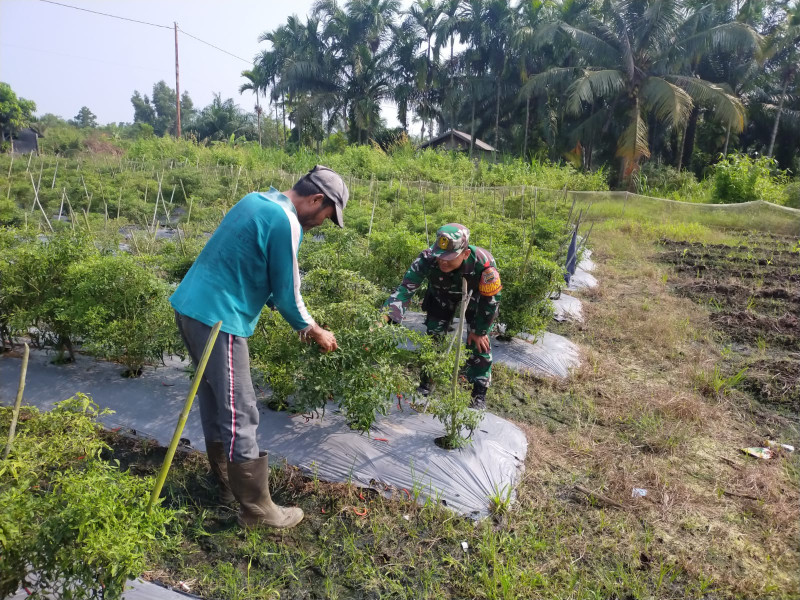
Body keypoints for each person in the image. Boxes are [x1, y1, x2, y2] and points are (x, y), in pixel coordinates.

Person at [170, 165, 348, 529]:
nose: (323, 223)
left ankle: (225, 488)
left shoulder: (256, 200)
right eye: (328, 214)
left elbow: (247, 263)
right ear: (316, 199)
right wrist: (314, 330)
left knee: (216, 401)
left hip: (191, 308)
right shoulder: (287, 222)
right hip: (221, 319)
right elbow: (288, 291)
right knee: (240, 411)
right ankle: (257, 510)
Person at [384, 223, 502, 409]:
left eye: (449, 258)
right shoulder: (427, 258)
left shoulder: (484, 264)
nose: (443, 262)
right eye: (440, 256)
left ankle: (479, 391)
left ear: (464, 253)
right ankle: (426, 383)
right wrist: (387, 316)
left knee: (479, 342)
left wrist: (480, 330)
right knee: (434, 337)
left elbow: (491, 300)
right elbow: (405, 289)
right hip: (441, 296)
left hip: (475, 298)